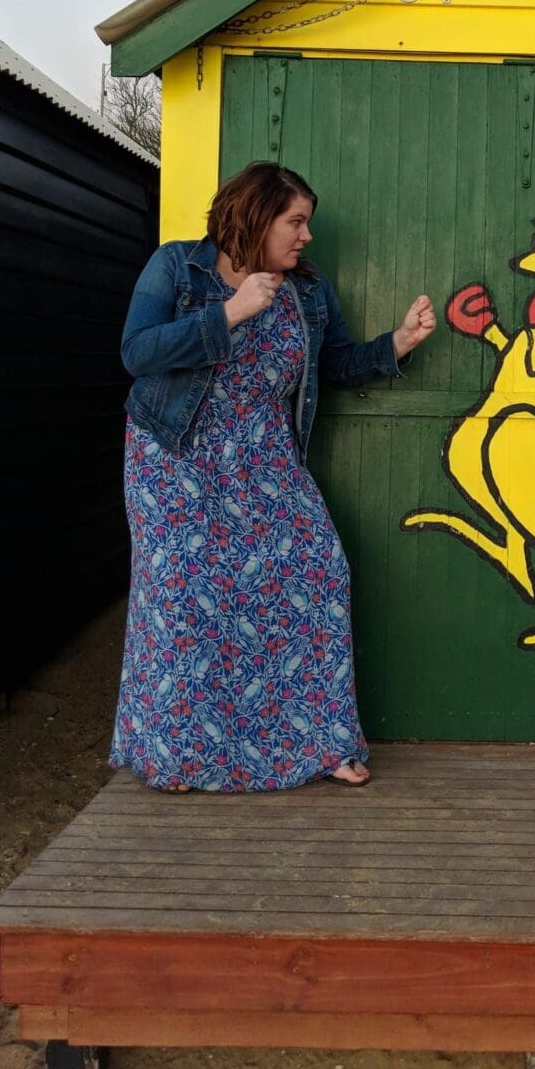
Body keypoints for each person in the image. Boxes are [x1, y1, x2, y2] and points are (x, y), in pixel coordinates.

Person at [108, 162, 435, 793]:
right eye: (296, 221)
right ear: (256, 216)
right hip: (175, 457)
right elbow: (137, 353)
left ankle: (323, 742)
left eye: (305, 222)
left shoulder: (308, 292)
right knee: (184, 596)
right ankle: (180, 755)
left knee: (318, 570)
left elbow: (336, 363)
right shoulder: (177, 267)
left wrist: (396, 343)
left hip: (264, 459)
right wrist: (227, 314)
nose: (306, 236)